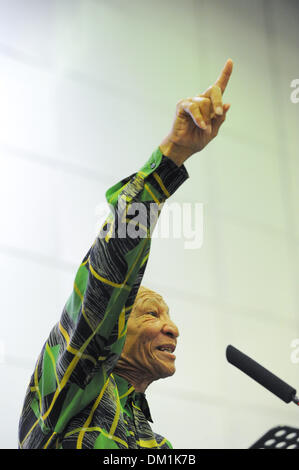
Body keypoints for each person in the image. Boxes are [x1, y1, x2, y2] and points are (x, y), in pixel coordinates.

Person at [18, 59, 233, 449]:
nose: (173, 328)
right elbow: (110, 275)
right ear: (116, 329)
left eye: (167, 316)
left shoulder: (159, 447)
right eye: (152, 313)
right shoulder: (70, 394)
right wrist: (170, 160)